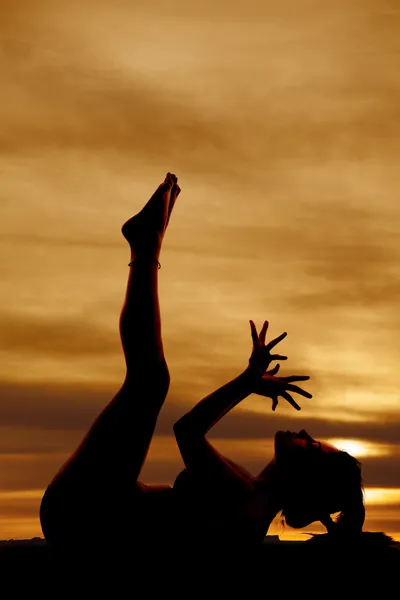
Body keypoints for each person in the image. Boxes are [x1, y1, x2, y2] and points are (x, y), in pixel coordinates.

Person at [39, 173, 365, 560]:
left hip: (86, 518)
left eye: (311, 445)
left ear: (303, 479)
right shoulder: (252, 494)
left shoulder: (247, 503)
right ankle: (145, 247)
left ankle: (145, 248)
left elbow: (188, 432)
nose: (305, 431)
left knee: (150, 381)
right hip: (88, 514)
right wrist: (246, 382)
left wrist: (246, 382)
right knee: (149, 380)